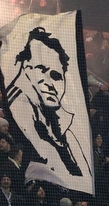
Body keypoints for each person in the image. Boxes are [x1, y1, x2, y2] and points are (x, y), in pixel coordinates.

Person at [5, 26, 90, 181]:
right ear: (26, 68)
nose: (48, 82)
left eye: (56, 76)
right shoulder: (20, 107)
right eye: (40, 70)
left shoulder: (66, 122)